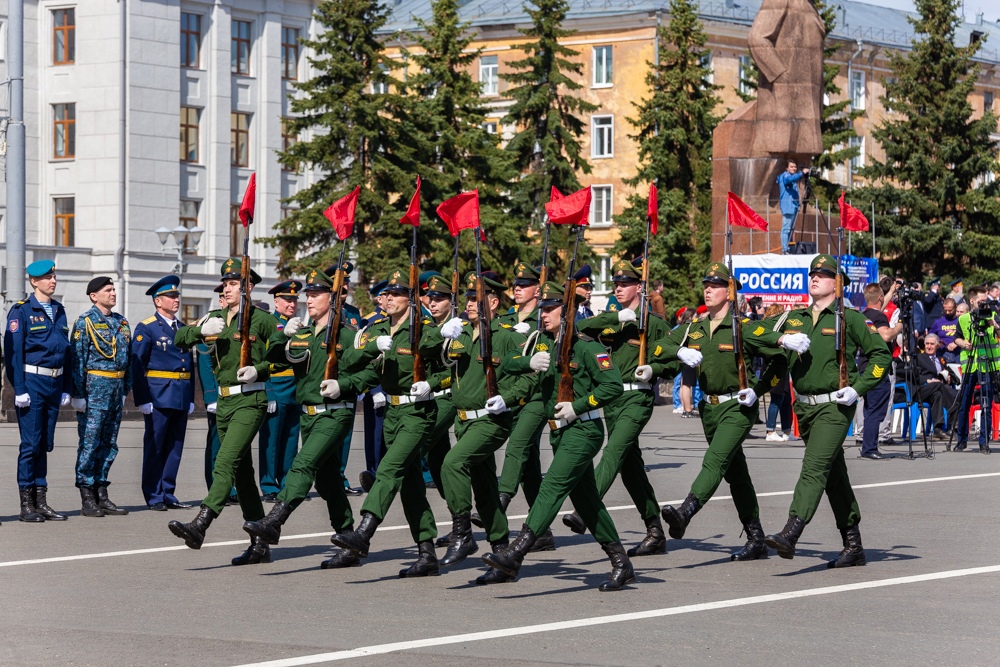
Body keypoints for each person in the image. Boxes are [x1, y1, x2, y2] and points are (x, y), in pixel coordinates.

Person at [482, 281, 634, 591]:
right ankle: (621, 562)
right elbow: (508, 364)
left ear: (567, 313)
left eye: (551, 309)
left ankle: (517, 551)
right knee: (588, 502)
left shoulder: (587, 346)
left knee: (551, 486)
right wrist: (529, 362)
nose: (544, 314)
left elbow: (613, 386)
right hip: (560, 434)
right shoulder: (544, 345)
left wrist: (578, 406)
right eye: (543, 309)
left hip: (584, 430)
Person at [751, 255, 890, 568]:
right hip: (805, 408)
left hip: (835, 406)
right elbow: (752, 334)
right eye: (812, 273)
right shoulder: (794, 317)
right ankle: (853, 545)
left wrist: (858, 388)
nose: (815, 278)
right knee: (833, 476)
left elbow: (881, 356)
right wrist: (782, 337)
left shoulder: (850, 319)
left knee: (814, 466)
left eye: (824, 274)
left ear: (836, 283)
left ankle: (792, 530)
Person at [655, 263, 790, 560]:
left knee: (714, 460)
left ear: (728, 292)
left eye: (715, 285)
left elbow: (780, 359)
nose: (708, 289)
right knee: (736, 474)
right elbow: (659, 346)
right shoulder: (697, 328)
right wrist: (678, 351)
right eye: (706, 284)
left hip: (737, 407)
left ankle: (687, 510)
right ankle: (755, 538)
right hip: (710, 411)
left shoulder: (743, 328)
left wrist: (759, 388)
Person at [244, 268, 367, 567]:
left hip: (335, 415)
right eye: (307, 296)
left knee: (302, 464)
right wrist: (280, 336)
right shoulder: (301, 333)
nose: (308, 301)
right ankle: (349, 541)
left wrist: (345, 386)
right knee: (328, 482)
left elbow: (368, 371)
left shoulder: (348, 334)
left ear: (333, 298)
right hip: (309, 416)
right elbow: (275, 359)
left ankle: (274, 521)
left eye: (315, 295)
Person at [329, 269, 444, 577]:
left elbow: (448, 364)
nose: (388, 299)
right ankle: (427, 553)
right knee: (411, 485)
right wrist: (371, 348)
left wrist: (431, 383)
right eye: (386, 294)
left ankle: (364, 533)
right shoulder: (378, 327)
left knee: (389, 469)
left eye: (396, 294)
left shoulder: (424, 328)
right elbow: (353, 359)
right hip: (391, 414)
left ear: (411, 299)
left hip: (417, 413)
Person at [168, 257, 281, 565]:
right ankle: (260, 545)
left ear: (248, 287)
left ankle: (201, 523)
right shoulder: (215, 316)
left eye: (233, 284)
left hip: (250, 400)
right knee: (242, 475)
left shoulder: (263, 320)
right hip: (226, 402)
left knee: (225, 460)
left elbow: (284, 356)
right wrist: (201, 332)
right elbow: (179, 338)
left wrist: (259, 370)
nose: (227, 289)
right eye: (225, 284)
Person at [565, 259, 673, 557]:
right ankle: (655, 530)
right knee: (630, 468)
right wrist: (615, 319)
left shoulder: (654, 323)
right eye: (616, 283)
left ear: (640, 287)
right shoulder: (612, 317)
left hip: (637, 398)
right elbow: (580, 327)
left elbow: (672, 360)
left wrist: (653, 368)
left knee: (613, 451)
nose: (619, 288)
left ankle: (584, 508)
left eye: (625, 283)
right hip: (612, 401)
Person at [433, 272, 532, 579]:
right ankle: (503, 555)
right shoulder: (462, 334)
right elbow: (455, 374)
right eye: (468, 299)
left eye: (477, 299)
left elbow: (528, 377)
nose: (470, 304)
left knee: (452, 463)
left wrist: (509, 399)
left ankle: (462, 533)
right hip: (464, 422)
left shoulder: (505, 335)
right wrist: (429, 384)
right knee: (486, 488)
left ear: (493, 300)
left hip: (491, 420)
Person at [489, 261, 555, 551]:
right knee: (528, 464)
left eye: (524, 285)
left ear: (537, 290)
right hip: (510, 397)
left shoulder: (544, 322)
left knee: (517, 446)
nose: (517, 289)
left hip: (537, 397)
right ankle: (541, 531)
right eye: (515, 285)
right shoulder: (505, 319)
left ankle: (497, 504)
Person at [4, 260, 72, 523]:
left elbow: (66, 351)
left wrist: (66, 387)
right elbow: (14, 354)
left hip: (54, 384)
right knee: (31, 445)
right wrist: (19, 389)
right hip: (32, 384)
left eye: (54, 276)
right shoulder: (21, 311)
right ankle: (26, 504)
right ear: (34, 281)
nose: (52, 281)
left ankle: (41, 501)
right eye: (47, 278)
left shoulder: (59, 310)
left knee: (45, 444)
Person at [70, 276, 133, 518]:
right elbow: (77, 360)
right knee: (90, 443)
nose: (113, 293)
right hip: (94, 391)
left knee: (109, 443)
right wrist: (78, 394)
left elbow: (128, 359)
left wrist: (125, 389)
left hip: (116, 391)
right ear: (94, 296)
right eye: (108, 290)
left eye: (114, 289)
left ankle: (101, 491)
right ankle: (87, 494)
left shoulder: (121, 322)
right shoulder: (85, 322)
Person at [131, 275, 195, 511]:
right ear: (158, 301)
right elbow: (137, 365)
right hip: (158, 395)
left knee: (175, 447)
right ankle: (153, 494)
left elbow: (190, 364)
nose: (176, 299)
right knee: (155, 446)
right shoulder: (147, 327)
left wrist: (190, 397)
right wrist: (143, 398)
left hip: (180, 393)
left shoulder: (183, 329)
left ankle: (168, 492)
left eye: (177, 295)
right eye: (171, 296)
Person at [258, 280, 302, 502]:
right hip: (276, 383)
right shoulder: (268, 323)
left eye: (294, 299)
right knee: (271, 438)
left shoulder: (299, 325)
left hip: (296, 387)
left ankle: (287, 481)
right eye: (287, 299)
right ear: (276, 302)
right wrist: (268, 390)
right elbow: (261, 358)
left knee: (292, 438)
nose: (292, 303)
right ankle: (268, 484)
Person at [856, 283, 901, 459]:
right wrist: (899, 326)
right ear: (880, 298)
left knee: (869, 408)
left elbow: (878, 305)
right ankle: (870, 449)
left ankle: (869, 446)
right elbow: (886, 335)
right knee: (876, 409)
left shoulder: (864, 315)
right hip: (878, 368)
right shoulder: (879, 316)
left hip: (865, 366)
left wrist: (890, 292)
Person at [952, 286, 998, 453]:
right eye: (981, 301)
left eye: (985, 301)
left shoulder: (992, 315)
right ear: (972, 301)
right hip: (971, 364)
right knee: (965, 402)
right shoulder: (964, 319)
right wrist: (963, 343)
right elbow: (956, 338)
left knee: (986, 403)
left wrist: (996, 325)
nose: (984, 304)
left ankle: (984, 441)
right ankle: (961, 439)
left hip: (988, 365)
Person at [914, 334, 958, 440]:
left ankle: (938, 429)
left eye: (932, 344)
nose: (929, 346)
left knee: (939, 394)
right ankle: (955, 417)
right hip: (922, 390)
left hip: (937, 392)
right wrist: (927, 380)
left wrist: (949, 378)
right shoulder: (918, 358)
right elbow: (913, 375)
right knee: (939, 385)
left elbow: (955, 378)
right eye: (927, 344)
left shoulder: (940, 360)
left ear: (937, 345)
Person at [761, 304, 793, 441]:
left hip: (782, 366)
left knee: (786, 400)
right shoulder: (770, 328)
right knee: (776, 399)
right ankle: (770, 431)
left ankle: (786, 431)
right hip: (774, 366)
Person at [776, 161, 809, 254]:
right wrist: (802, 173)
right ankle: (785, 249)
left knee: (790, 229)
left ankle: (788, 249)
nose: (793, 168)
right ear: (787, 168)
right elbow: (788, 180)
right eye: (791, 167)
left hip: (793, 206)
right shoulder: (785, 176)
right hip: (788, 206)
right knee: (786, 229)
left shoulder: (792, 177)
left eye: (795, 167)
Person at [929, 298, 961, 364]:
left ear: (955, 307)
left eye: (950, 310)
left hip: (959, 353)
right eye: (945, 310)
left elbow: (967, 336)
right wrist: (938, 343)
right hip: (943, 353)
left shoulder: (960, 321)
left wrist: (957, 343)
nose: (947, 313)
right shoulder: (938, 322)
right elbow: (930, 337)